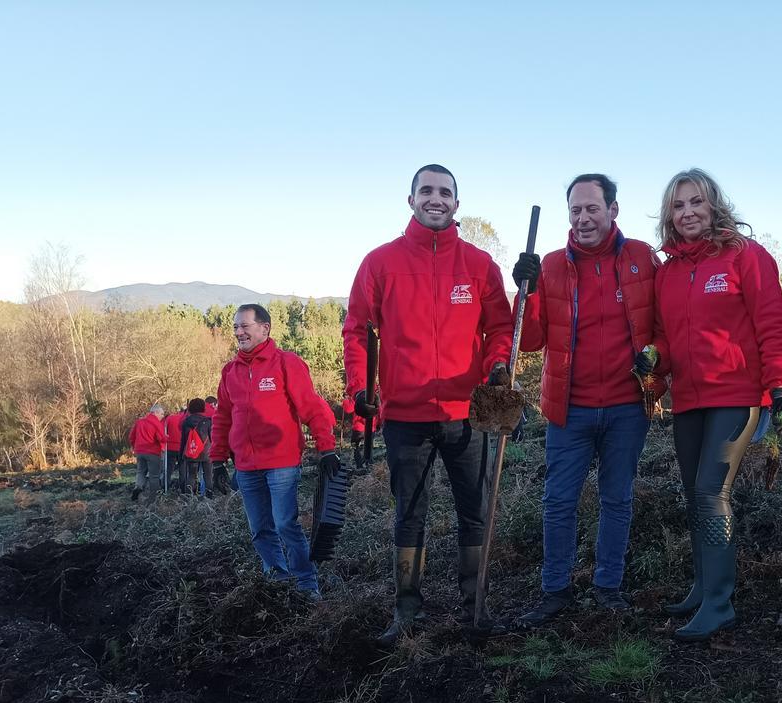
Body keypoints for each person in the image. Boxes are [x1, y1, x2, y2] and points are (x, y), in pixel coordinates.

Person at [344, 164, 513, 646]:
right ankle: (406, 611)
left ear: (457, 203)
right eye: (426, 191)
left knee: (475, 511)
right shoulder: (380, 263)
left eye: (445, 192)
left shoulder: (480, 265)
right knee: (409, 514)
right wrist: (361, 389)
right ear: (411, 198)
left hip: (468, 412)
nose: (435, 199)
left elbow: (501, 328)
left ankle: (474, 606)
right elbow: (356, 330)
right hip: (404, 416)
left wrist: (497, 363)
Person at [507, 174, 665, 628]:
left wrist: (658, 363)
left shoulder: (641, 259)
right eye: (575, 210)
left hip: (626, 406)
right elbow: (532, 340)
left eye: (591, 208)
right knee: (558, 501)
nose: (582, 218)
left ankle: (608, 588)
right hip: (568, 408)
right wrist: (527, 290)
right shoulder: (552, 265)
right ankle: (555, 590)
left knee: (616, 499)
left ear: (613, 210)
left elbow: (662, 326)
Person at [653, 169, 782, 641]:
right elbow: (668, 340)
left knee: (712, 492)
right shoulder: (668, 272)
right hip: (687, 398)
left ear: (713, 205)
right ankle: (702, 586)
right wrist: (654, 363)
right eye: (679, 205)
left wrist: (779, 385)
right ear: (669, 215)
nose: (688, 212)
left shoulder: (745, 257)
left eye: (696, 202)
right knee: (694, 492)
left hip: (736, 396)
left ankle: (720, 602)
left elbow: (772, 321)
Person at [211, 303, 339, 598]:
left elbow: (311, 407)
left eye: (245, 326)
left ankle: (307, 585)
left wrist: (326, 447)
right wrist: (217, 459)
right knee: (260, 530)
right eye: (235, 327)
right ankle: (279, 584)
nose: (239, 332)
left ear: (265, 328)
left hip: (281, 461)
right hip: (245, 466)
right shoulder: (230, 371)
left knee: (284, 524)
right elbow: (222, 418)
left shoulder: (286, 363)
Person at [128, 404, 166, 502]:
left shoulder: (139, 422)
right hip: (152, 452)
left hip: (140, 451)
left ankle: (139, 487)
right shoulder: (156, 424)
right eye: (161, 414)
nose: (162, 416)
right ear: (155, 412)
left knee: (141, 472)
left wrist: (134, 446)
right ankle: (152, 497)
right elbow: (160, 438)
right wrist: (167, 438)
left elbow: (131, 436)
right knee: (154, 475)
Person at [179, 398, 214, 496]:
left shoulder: (186, 422)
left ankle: (189, 497)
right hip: (206, 452)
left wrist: (181, 453)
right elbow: (212, 437)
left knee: (191, 475)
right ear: (203, 408)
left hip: (192, 451)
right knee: (208, 476)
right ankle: (209, 497)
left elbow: (183, 440)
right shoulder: (207, 421)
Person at [163, 405, 187, 491]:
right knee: (183, 468)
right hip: (182, 448)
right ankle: (183, 487)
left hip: (170, 448)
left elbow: (164, 431)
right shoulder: (186, 419)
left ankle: (165, 485)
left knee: (168, 468)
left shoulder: (169, 418)